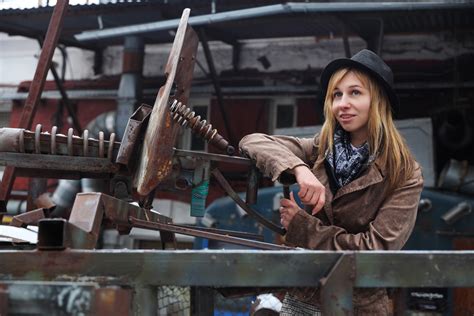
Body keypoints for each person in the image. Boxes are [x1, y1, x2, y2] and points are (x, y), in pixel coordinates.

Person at [239, 49, 424, 315]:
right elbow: (252, 141)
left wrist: (303, 226)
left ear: (378, 101)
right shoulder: (319, 149)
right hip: (303, 297)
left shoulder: (404, 173)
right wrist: (300, 168)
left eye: (355, 93)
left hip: (358, 305)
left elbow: (375, 250)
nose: (342, 104)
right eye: (337, 94)